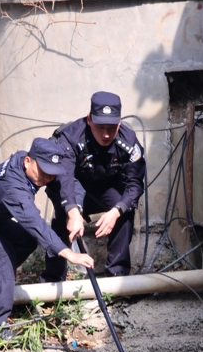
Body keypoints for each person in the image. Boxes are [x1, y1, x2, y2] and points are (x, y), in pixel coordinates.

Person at [0, 138, 94, 339]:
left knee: (26, 241)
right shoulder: (14, 186)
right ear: (28, 161)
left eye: (51, 173)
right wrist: (69, 254)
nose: (47, 177)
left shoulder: (30, 166)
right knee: (3, 257)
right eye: (43, 170)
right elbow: (34, 222)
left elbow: (71, 183)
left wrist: (75, 211)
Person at [40, 91, 146, 282]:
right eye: (100, 127)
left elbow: (135, 183)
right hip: (72, 186)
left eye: (112, 128)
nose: (106, 134)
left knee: (125, 208)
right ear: (89, 120)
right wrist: (73, 212)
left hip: (105, 187)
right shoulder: (70, 137)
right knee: (64, 215)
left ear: (119, 123)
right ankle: (53, 281)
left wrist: (116, 211)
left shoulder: (128, 141)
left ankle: (117, 275)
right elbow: (64, 178)